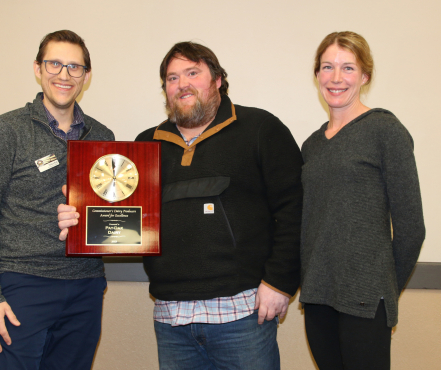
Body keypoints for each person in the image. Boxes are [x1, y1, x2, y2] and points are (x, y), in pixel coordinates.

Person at [58, 41, 303, 369]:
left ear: (217, 80)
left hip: (242, 316)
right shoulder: (146, 145)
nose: (182, 84)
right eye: (172, 78)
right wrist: (82, 218)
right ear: (165, 91)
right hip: (172, 319)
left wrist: (280, 283)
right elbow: (129, 223)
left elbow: (293, 209)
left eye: (192, 73)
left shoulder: (261, 129)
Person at [0, 30, 114, 369]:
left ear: (86, 76)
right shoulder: (5, 131)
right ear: (37, 68)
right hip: (21, 285)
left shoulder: (103, 137)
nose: (64, 74)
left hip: (85, 286)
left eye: (75, 67)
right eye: (55, 63)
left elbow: (109, 218)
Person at [299, 31, 425, 370]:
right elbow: (309, 223)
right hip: (318, 297)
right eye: (327, 67)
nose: (336, 78)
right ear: (317, 75)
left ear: (365, 76)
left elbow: (412, 227)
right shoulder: (311, 146)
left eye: (348, 68)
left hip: (366, 299)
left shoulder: (385, 130)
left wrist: (382, 288)